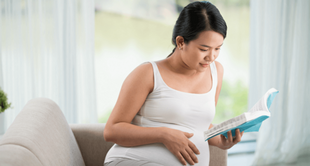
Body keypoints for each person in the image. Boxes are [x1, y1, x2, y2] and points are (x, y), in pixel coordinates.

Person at [103, 1, 244, 166]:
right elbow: (112, 130)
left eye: (218, 48)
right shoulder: (148, 73)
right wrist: (163, 134)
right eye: (204, 49)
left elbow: (198, 124)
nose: (211, 57)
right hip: (134, 160)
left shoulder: (216, 71)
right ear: (181, 42)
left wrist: (221, 140)